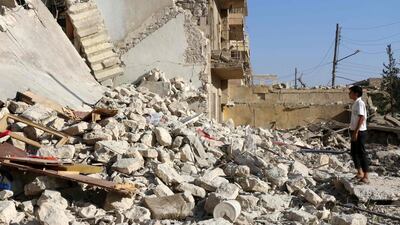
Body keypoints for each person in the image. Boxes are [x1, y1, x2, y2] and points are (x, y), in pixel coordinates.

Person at [348, 85, 369, 183]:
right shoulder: (355, 103)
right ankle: (359, 172)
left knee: (361, 153)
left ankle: (366, 175)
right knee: (354, 152)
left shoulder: (360, 103)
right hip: (354, 131)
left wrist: (356, 132)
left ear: (356, 93)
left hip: (360, 132)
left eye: (350, 92)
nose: (349, 94)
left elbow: (362, 118)